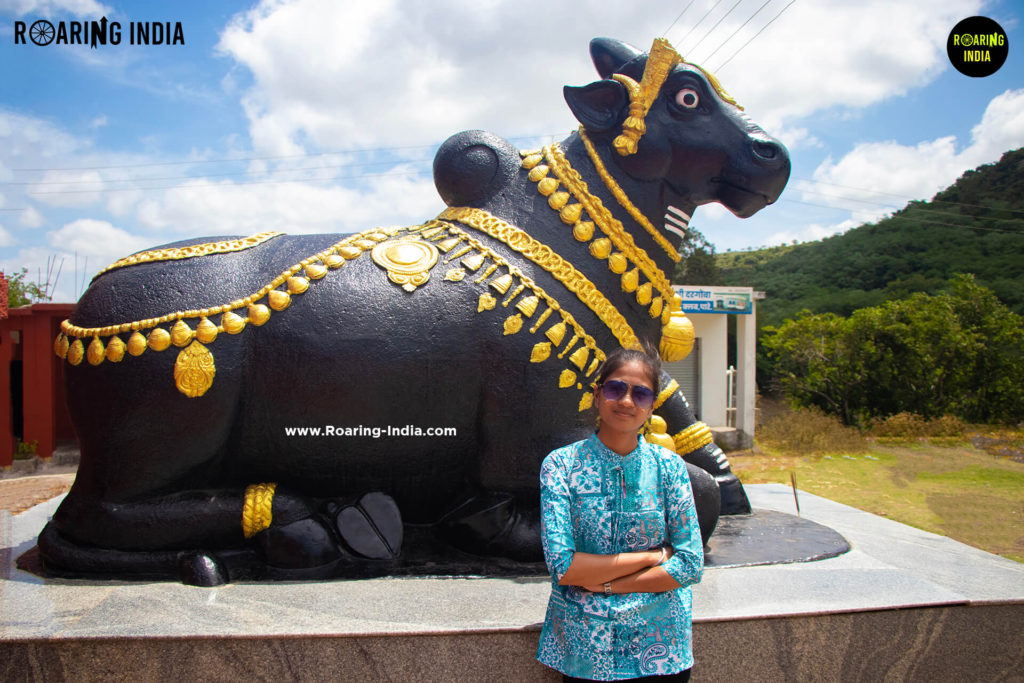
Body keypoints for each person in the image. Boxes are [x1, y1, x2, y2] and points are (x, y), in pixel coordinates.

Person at [536, 347, 704, 682]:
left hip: (660, 650)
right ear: (598, 396)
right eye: (615, 389)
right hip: (586, 649)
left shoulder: (669, 466)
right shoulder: (561, 465)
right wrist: (653, 556)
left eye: (640, 394)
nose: (627, 401)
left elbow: (689, 563)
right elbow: (564, 566)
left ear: (651, 406)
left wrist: (607, 584)